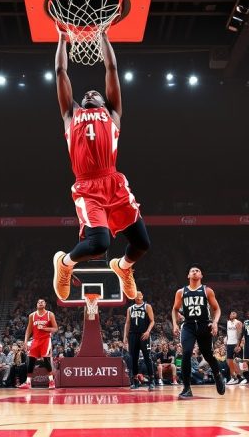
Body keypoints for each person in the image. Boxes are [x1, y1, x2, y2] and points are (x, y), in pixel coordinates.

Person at [52, 26, 150, 302]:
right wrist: (62, 39)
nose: (89, 93)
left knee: (142, 243)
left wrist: (104, 35)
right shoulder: (70, 114)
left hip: (113, 182)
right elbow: (60, 71)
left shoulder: (113, 113)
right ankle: (65, 264)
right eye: (86, 93)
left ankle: (123, 267)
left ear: (105, 102)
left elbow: (111, 68)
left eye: (95, 93)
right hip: (87, 187)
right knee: (99, 244)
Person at [171, 264, 226, 399]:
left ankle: (217, 374)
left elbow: (217, 309)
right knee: (186, 353)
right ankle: (187, 388)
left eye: (197, 271)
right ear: (188, 275)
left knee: (208, 355)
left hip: (204, 325)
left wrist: (215, 322)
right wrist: (175, 324)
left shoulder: (207, 290)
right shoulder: (181, 292)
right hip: (188, 326)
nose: (195, 272)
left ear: (201, 275)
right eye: (192, 271)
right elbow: (175, 309)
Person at [19, 298, 58, 390]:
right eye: (39, 302)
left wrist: (44, 328)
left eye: (42, 302)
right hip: (35, 340)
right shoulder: (32, 315)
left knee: (46, 359)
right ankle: (28, 383)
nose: (40, 303)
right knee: (31, 360)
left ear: (45, 304)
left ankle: (51, 382)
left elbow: (55, 328)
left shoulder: (50, 314)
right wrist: (25, 341)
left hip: (46, 340)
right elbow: (29, 329)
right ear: (36, 305)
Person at [124, 291, 155, 390]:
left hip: (143, 334)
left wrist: (148, 331)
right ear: (133, 297)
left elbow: (152, 321)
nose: (137, 296)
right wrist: (125, 337)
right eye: (136, 295)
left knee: (147, 357)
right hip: (133, 335)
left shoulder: (147, 306)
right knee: (133, 358)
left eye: (139, 295)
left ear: (142, 296)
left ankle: (152, 381)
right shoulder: (130, 309)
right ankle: (135, 381)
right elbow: (127, 323)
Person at [225, 311, 243, 384]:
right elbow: (228, 333)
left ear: (236, 315)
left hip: (235, 344)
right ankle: (234, 378)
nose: (231, 315)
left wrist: (238, 345)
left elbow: (240, 334)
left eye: (233, 314)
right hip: (229, 344)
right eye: (230, 313)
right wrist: (226, 341)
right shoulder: (228, 322)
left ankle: (241, 377)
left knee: (237, 361)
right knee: (229, 361)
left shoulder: (238, 323)